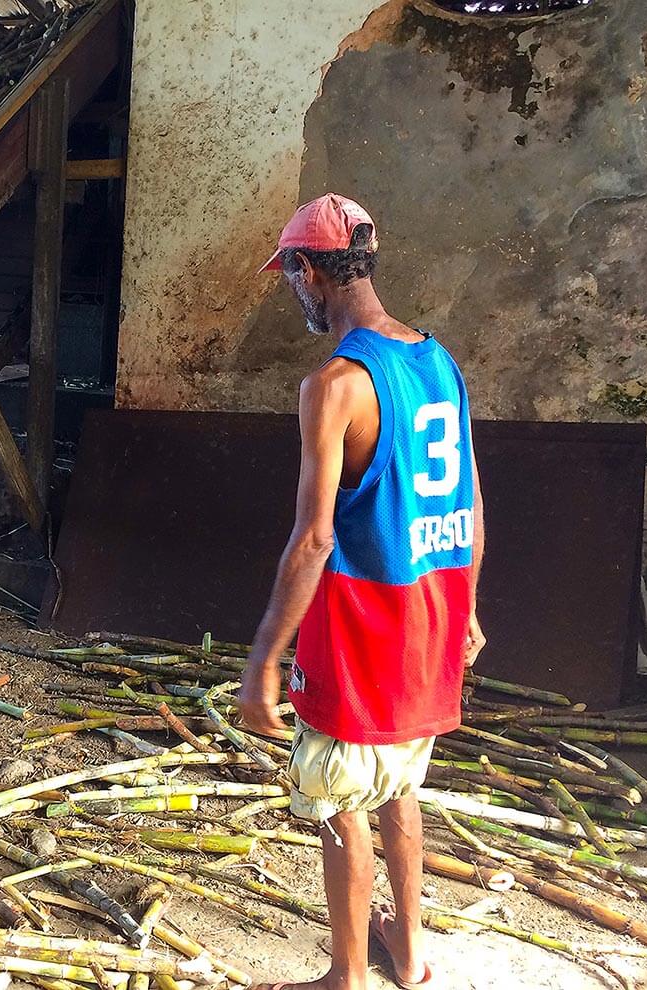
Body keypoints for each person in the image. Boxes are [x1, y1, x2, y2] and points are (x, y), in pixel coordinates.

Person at [239, 194, 485, 990]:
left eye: (292, 279)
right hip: (433, 617)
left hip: (361, 630)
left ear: (311, 271)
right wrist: (469, 607)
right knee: (399, 785)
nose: (294, 295)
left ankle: (345, 975)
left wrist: (264, 659)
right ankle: (408, 953)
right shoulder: (437, 360)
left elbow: (314, 539)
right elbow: (471, 502)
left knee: (343, 801)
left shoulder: (336, 383)